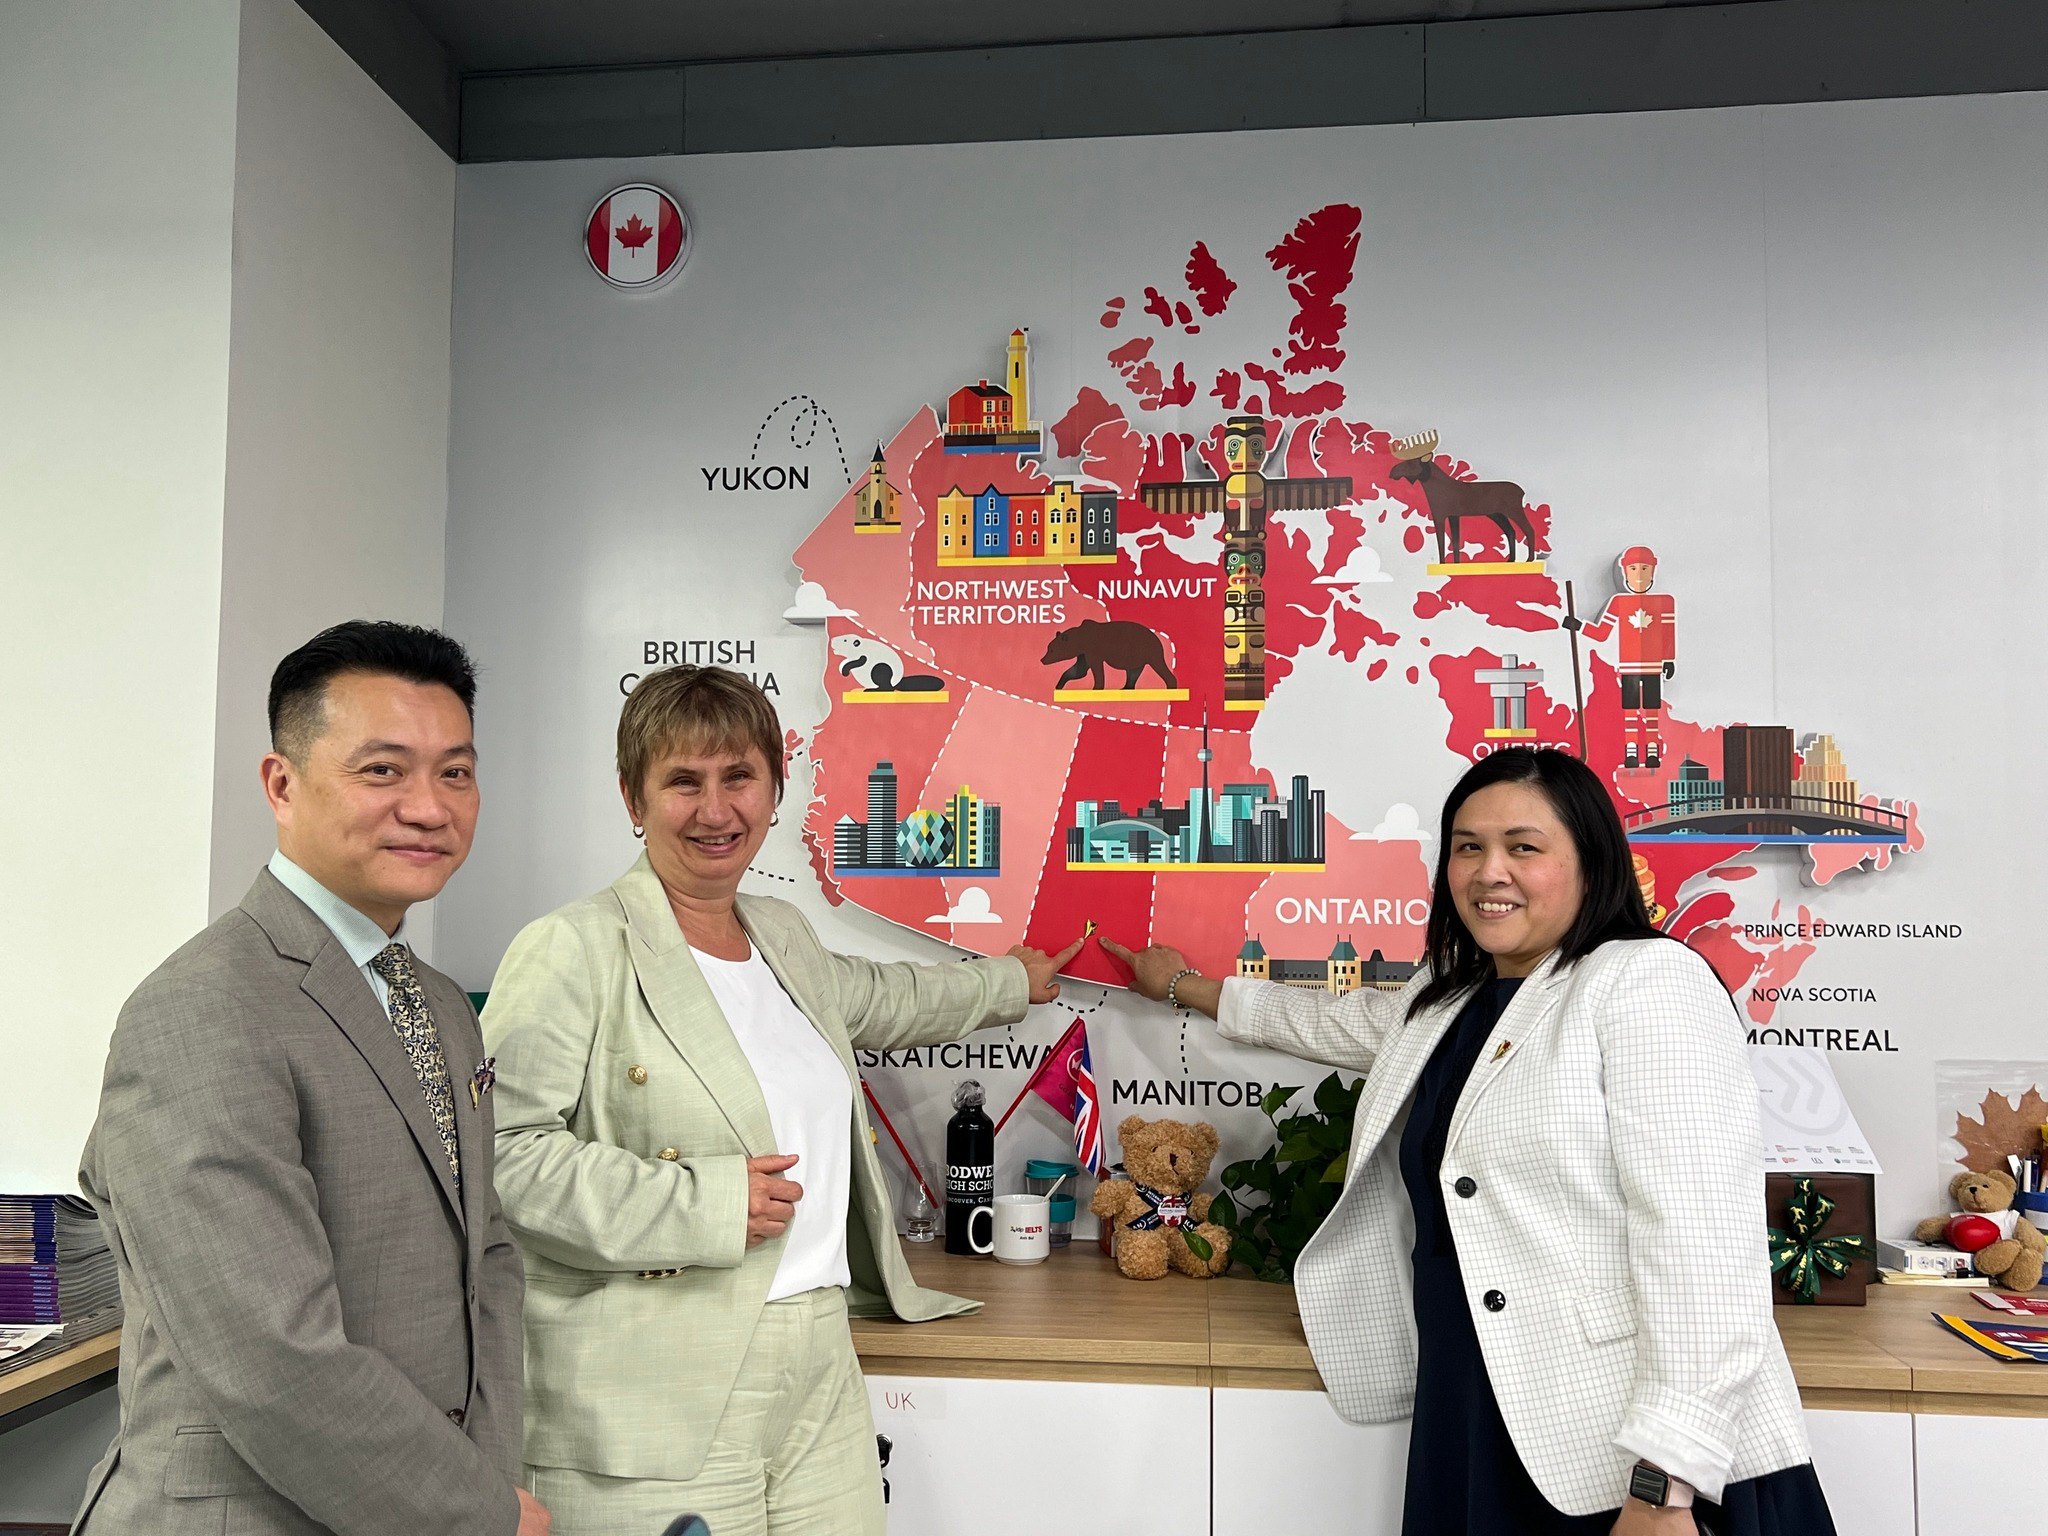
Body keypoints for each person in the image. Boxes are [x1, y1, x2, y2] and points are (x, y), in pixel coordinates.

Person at [1103, 747, 1833, 1536]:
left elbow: (1702, 1245)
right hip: (1477, 1411)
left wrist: (1667, 1481)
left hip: (1631, 1456)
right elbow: (1328, 1022)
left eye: (1524, 847)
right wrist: (1178, 985)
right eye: (1468, 847)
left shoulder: (1645, 981)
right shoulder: (1452, 996)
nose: (1490, 872)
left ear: (1591, 862)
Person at [483, 665, 1079, 1536]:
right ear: (632, 797)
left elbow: (887, 998)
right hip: (654, 1391)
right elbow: (503, 1157)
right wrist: (707, 1201)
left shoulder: (781, 933)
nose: (715, 809)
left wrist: (1009, 983)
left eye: (739, 777)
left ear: (774, 790)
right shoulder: (571, 946)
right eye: (683, 781)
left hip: (818, 1355)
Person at [73, 621, 547, 1535]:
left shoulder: (439, 1004)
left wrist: (479, 1484)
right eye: (383, 770)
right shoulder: (204, 1008)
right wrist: (477, 1513)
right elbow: (269, 1357)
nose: (429, 807)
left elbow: (484, 1268)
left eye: (455, 772)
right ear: (281, 785)